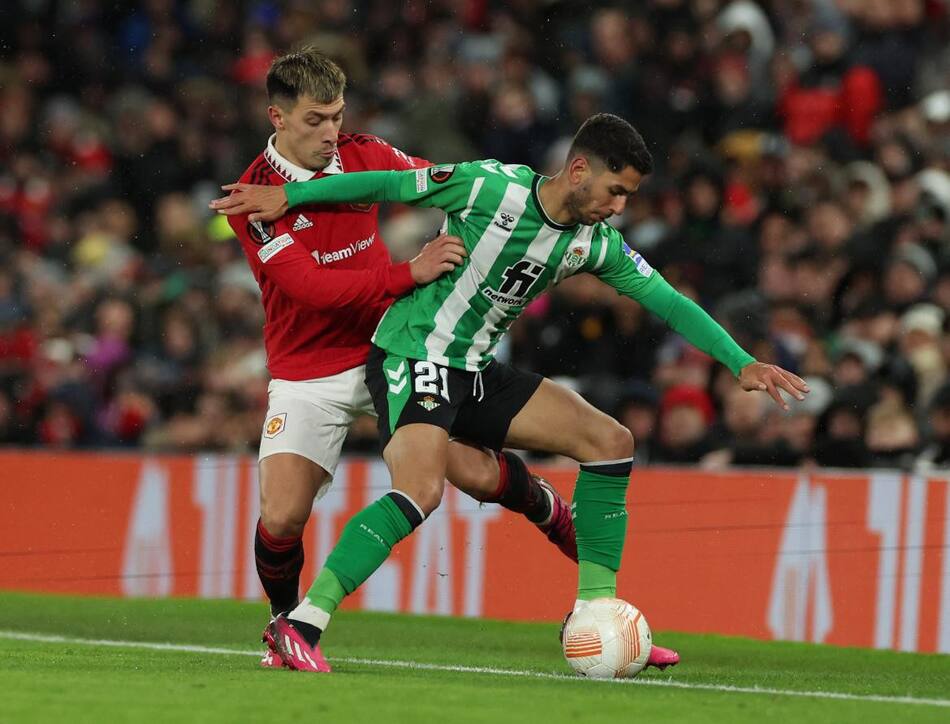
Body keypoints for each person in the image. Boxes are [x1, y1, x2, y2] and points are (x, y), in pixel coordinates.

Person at [212, 112, 808, 673]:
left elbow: (669, 302)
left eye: (628, 197)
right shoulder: (487, 188)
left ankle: (600, 616)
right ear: (579, 169)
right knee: (421, 489)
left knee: (611, 441)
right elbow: (391, 187)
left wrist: (740, 362)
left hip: (472, 368)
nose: (619, 207)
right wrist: (290, 196)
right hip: (414, 351)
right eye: (615, 191)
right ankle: (304, 624)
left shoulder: (592, 244)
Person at [228, 47, 577, 669]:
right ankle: (284, 623)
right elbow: (309, 289)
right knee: (281, 517)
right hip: (308, 369)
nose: (330, 132)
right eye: (314, 120)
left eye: (336, 115)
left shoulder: (365, 154)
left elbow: (444, 183)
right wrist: (407, 272)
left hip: (393, 346)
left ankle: (545, 504)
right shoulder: (256, 196)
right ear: (276, 117)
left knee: (466, 473)